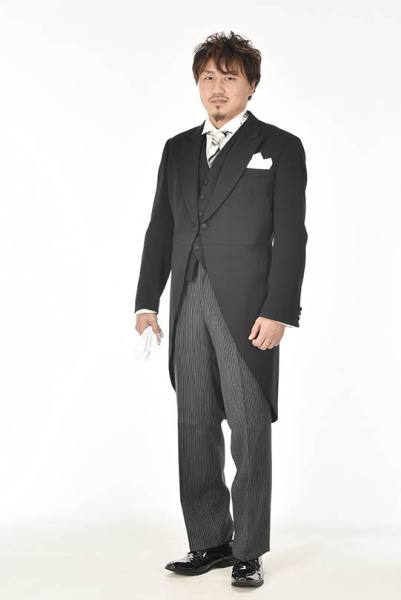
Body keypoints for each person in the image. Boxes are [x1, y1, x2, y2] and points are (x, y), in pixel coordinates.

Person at [134, 30, 308, 588]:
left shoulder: (280, 147)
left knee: (250, 426)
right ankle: (209, 540)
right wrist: (146, 301)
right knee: (194, 422)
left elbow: (292, 236)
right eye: (208, 77)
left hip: (249, 308)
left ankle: (248, 550)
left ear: (251, 85)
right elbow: (162, 227)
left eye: (229, 77)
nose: (217, 88)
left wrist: (280, 309)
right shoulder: (177, 149)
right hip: (187, 299)